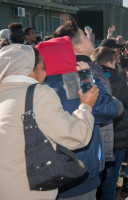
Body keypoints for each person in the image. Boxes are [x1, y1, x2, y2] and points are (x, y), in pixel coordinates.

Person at [0, 44, 97, 200]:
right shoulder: (38, 93)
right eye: (43, 67)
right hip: (25, 190)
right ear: (30, 71)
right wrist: (86, 106)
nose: (45, 73)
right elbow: (75, 136)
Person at [37, 34, 117, 199]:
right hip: (80, 176)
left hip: (46, 177)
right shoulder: (74, 83)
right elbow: (108, 109)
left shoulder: (35, 88)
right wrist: (89, 76)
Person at [92, 44, 128, 199]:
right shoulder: (116, 80)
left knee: (100, 179)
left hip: (97, 136)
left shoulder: (89, 76)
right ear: (110, 63)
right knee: (111, 180)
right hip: (117, 136)